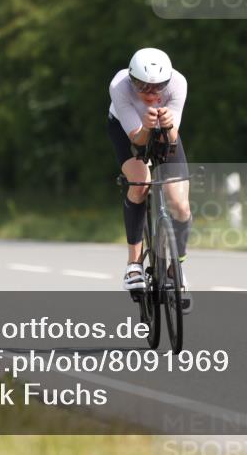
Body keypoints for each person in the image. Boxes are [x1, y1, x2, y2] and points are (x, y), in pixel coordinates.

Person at [108, 47, 192, 313]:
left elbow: (172, 138)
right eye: (143, 86)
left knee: (180, 205)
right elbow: (137, 139)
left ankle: (175, 268)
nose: (152, 93)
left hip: (164, 130)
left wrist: (167, 124)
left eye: (159, 86)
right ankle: (133, 264)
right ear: (132, 80)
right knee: (140, 184)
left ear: (169, 80)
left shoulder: (178, 83)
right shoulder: (119, 85)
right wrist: (146, 126)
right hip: (128, 130)